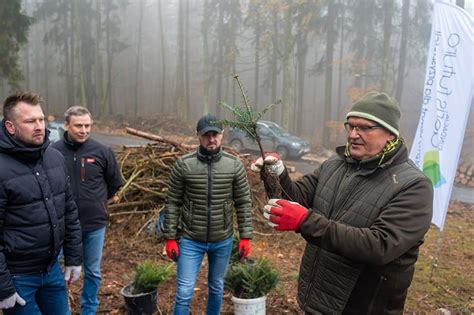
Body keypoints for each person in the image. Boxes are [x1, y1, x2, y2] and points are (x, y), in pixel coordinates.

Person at [252, 91, 433, 314]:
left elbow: (379, 246)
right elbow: (296, 199)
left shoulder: (413, 186)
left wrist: (305, 221)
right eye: (350, 126)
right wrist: (276, 175)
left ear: (390, 135)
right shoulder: (335, 165)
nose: (354, 134)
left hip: (362, 307)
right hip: (316, 298)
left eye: (365, 127)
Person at [0, 91, 83, 314]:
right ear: (10, 127)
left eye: (41, 119)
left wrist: (74, 257)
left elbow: (69, 210)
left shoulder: (54, 157)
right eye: (30, 121)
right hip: (17, 277)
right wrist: (3, 287)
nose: (39, 126)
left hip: (52, 269)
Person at [164, 114, 253, 315]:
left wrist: (246, 236)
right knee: (184, 292)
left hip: (222, 239)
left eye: (215, 134)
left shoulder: (234, 165)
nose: (211, 139)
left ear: (222, 135)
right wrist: (170, 238)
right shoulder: (184, 164)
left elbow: (243, 202)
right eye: (206, 135)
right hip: (190, 240)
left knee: (216, 287)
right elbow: (172, 203)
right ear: (198, 136)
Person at [52, 106, 123, 315]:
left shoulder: (102, 151)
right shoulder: (53, 152)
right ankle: (59, 307)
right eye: (78, 126)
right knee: (56, 270)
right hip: (62, 225)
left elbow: (114, 183)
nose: (84, 130)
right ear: (66, 125)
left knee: (93, 271)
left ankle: (89, 309)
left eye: (87, 125)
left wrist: (97, 202)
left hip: (94, 224)